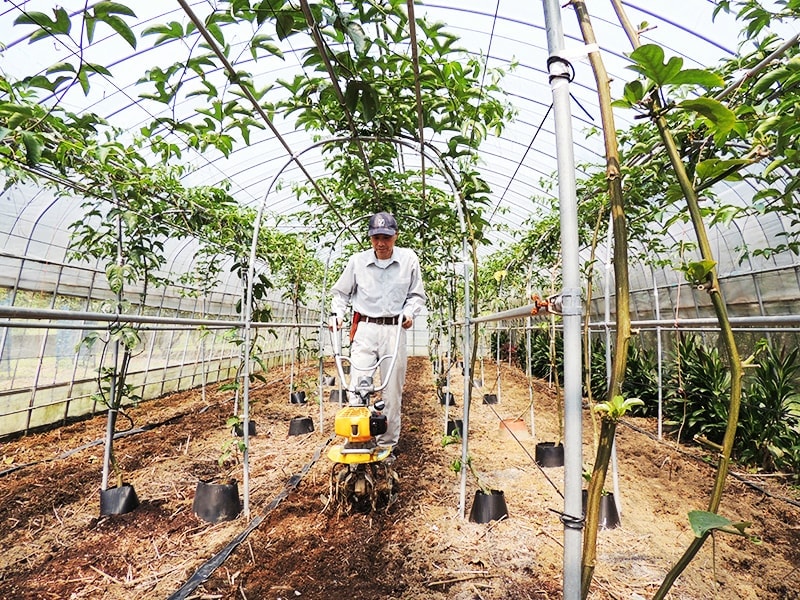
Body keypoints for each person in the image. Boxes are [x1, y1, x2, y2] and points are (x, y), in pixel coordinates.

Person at [329, 212, 427, 457]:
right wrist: (337, 314)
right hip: (365, 329)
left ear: (396, 236)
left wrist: (409, 313)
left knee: (392, 390)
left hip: (394, 330)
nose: (381, 243)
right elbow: (341, 294)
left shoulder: (408, 260)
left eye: (386, 237)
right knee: (358, 386)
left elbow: (416, 296)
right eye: (376, 238)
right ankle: (358, 440)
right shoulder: (357, 262)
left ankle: (386, 445)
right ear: (370, 238)